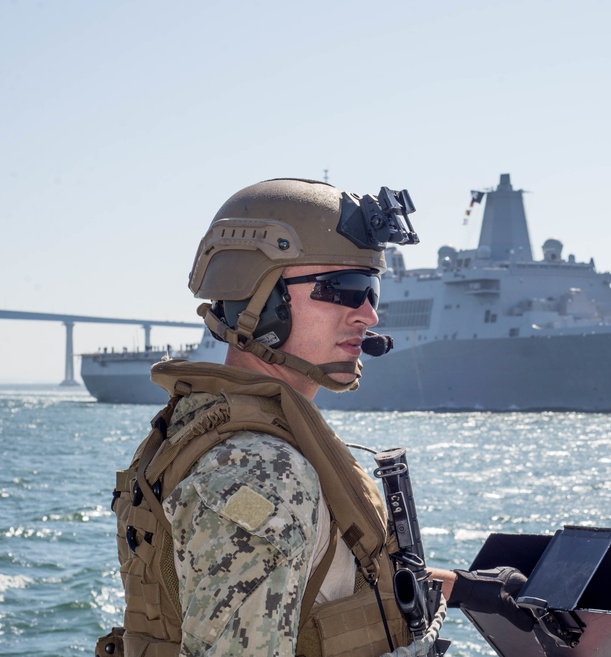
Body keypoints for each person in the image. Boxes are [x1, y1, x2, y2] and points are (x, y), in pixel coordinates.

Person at [100, 178, 457, 657]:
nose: (368, 315)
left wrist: (466, 589)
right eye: (345, 291)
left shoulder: (213, 426)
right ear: (262, 303)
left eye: (371, 290)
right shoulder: (261, 471)